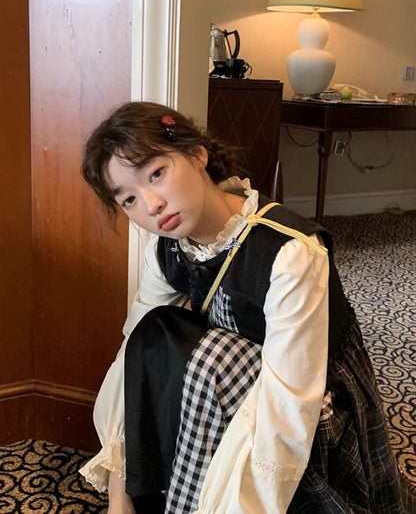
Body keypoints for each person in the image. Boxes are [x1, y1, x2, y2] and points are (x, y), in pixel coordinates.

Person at [80, 100, 405, 514]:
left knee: (212, 360)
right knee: (154, 331)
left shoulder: (290, 253)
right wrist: (119, 493)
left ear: (197, 154)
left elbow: (289, 405)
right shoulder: (165, 251)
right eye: (128, 199)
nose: (151, 204)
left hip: (314, 401)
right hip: (230, 377)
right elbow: (136, 355)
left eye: (156, 173)